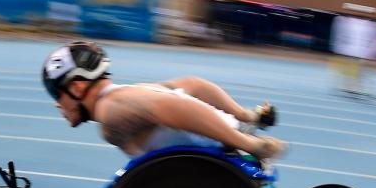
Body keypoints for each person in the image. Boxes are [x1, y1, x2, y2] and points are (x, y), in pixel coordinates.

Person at [41, 40, 285, 159]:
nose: (56, 104)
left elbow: (175, 106)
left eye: (56, 93)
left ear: (77, 86)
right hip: (224, 136)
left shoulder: (110, 113)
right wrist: (245, 116)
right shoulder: (130, 92)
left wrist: (248, 144)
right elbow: (192, 85)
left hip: (221, 150)